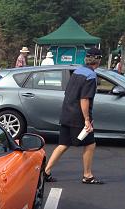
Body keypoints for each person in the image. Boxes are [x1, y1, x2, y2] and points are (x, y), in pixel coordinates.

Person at [44, 47, 103, 185]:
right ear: (98, 60)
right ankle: (87, 175)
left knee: (63, 144)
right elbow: (84, 99)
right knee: (90, 144)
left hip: (66, 113)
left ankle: (46, 171)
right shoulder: (91, 76)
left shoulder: (77, 71)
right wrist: (87, 119)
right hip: (78, 116)